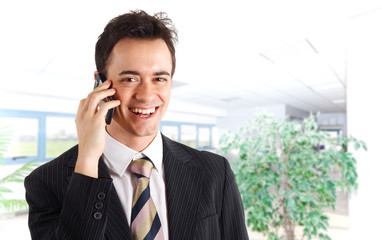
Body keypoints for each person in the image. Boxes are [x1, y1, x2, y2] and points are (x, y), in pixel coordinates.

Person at [24, 10, 249, 240]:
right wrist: (88, 159)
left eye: (159, 78)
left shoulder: (214, 173)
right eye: (130, 79)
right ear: (99, 83)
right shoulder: (45, 183)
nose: (146, 95)